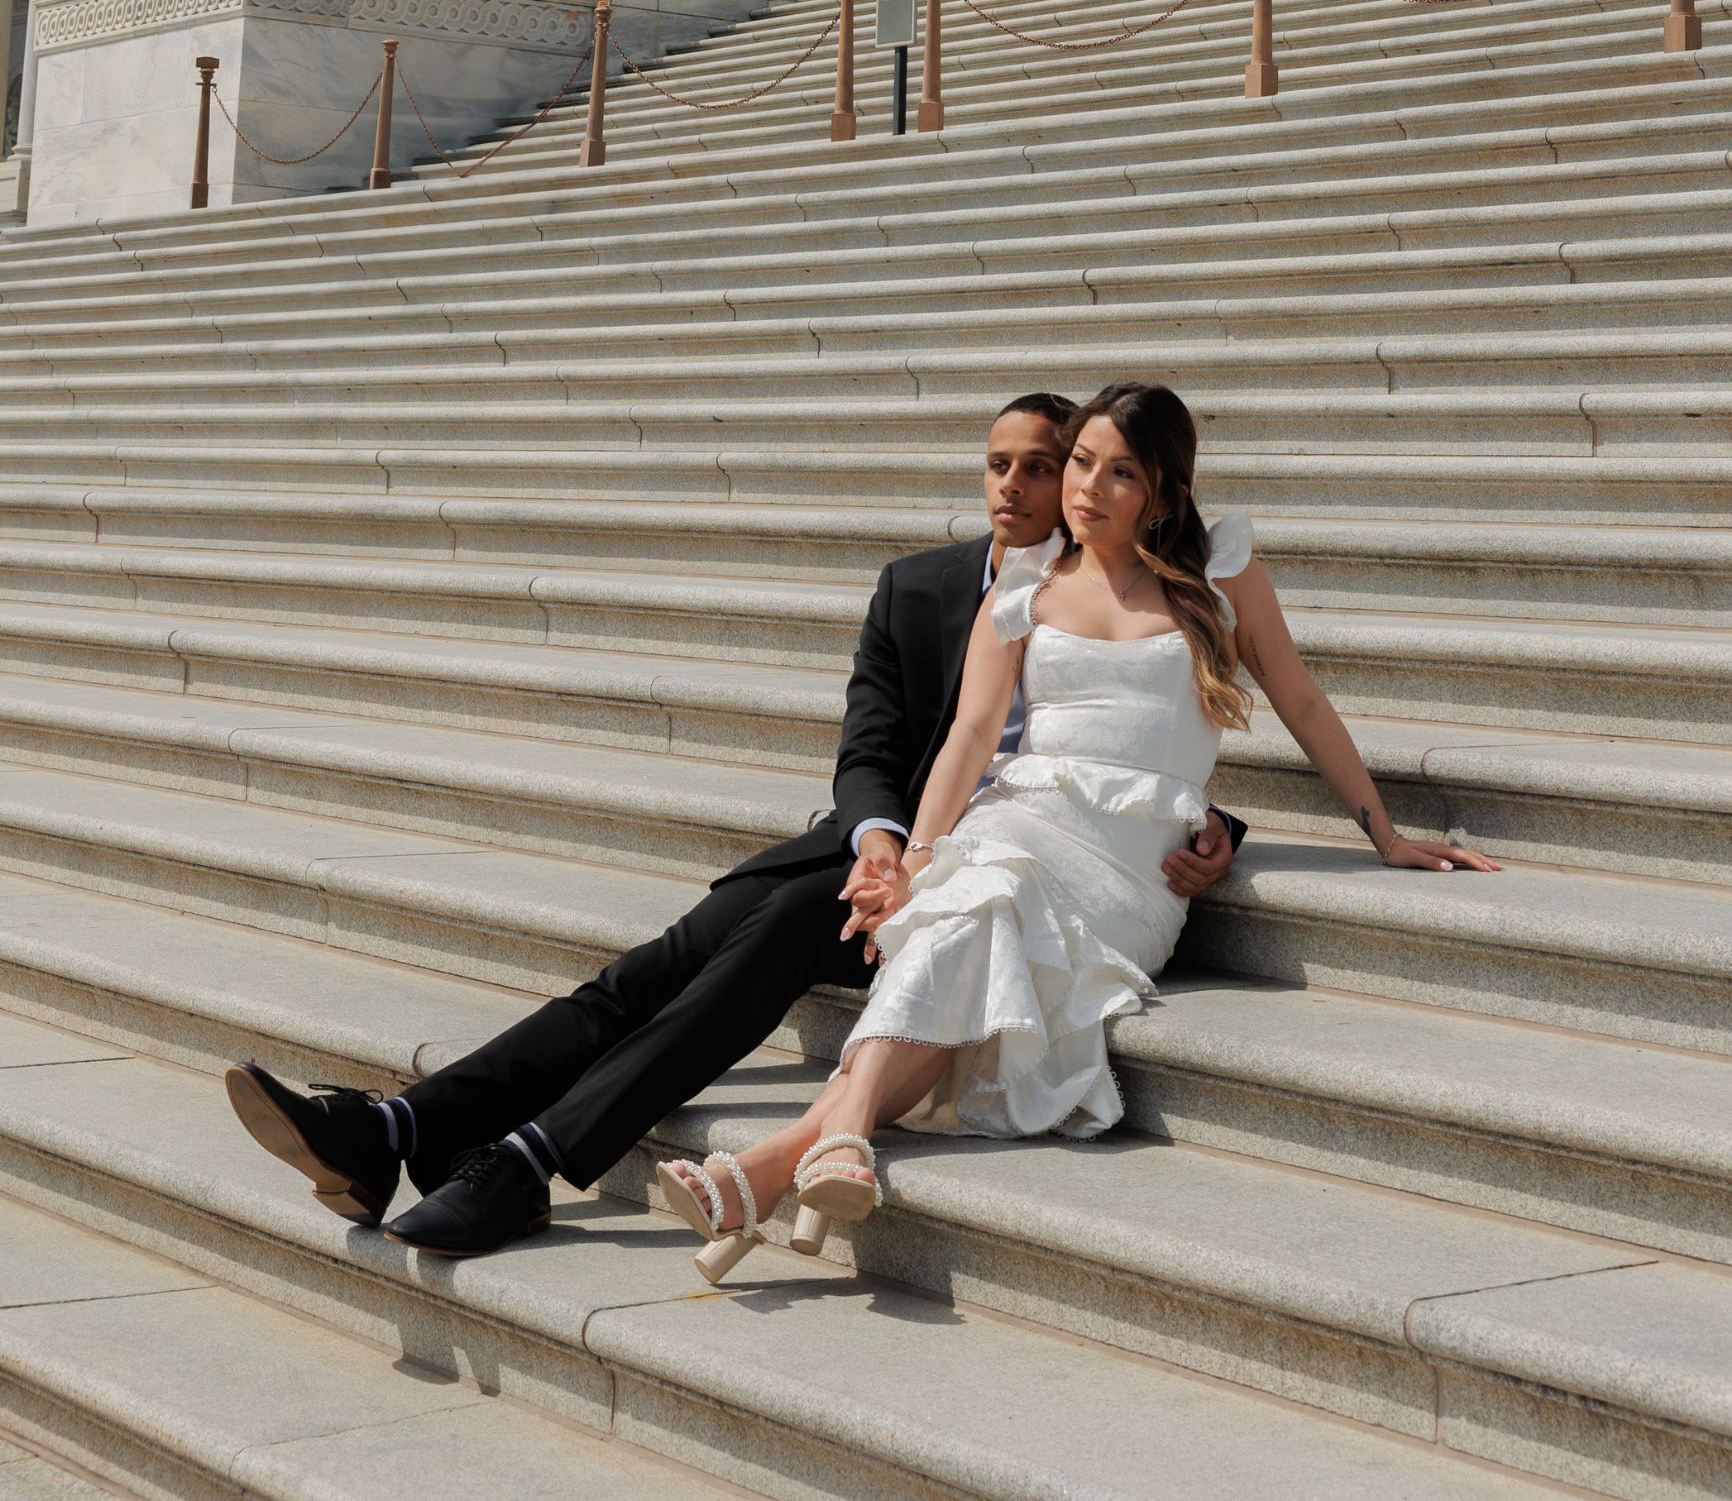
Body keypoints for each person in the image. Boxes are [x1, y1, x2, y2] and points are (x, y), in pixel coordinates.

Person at [222, 393, 1246, 1257]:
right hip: (875, 858)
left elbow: (1136, 740)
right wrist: (879, 840)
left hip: (988, 895)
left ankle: (525, 1159)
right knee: (646, 972)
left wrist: (1214, 826)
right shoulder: (920, 586)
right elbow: (870, 747)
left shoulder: (1119, 594)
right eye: (1001, 464)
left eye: (1045, 464)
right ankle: (394, 1128)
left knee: (767, 941)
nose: (1020, 486)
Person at [654, 383, 1500, 1281]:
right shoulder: (1026, 582)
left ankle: (776, 1164)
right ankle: (829, 1146)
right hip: (1019, 818)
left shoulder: (1223, 572)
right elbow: (973, 737)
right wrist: (922, 858)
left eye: (1120, 472)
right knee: (977, 894)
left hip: (1132, 863)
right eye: (1083, 463)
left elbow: (1300, 699)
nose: (1087, 488)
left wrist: (1386, 836)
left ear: (1166, 493)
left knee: (981, 911)